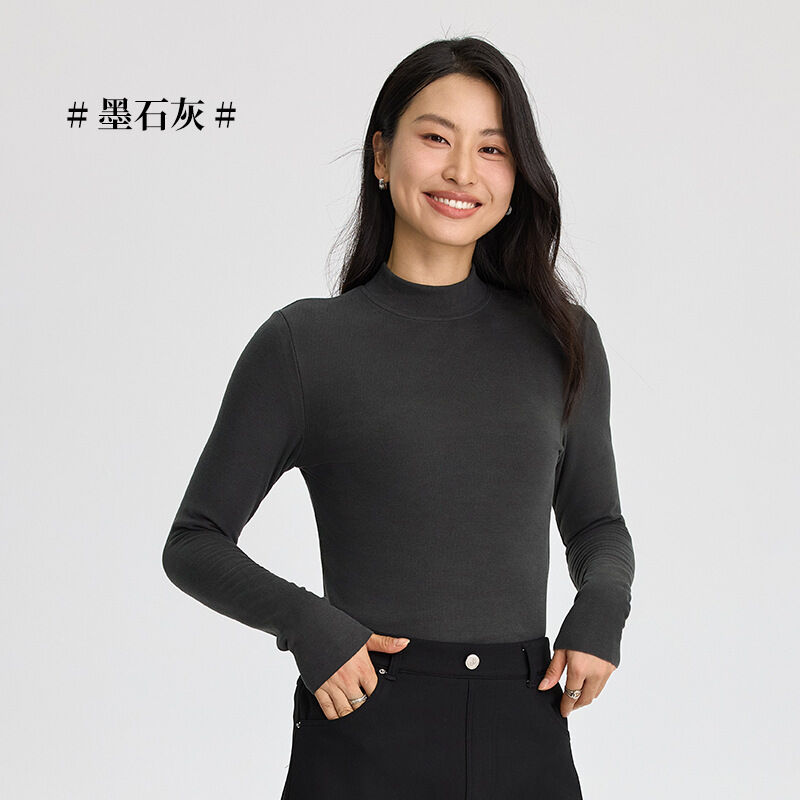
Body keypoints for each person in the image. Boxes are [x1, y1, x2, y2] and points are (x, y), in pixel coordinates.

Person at [162, 35, 635, 800]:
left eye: (492, 149)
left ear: (516, 178)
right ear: (381, 156)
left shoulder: (562, 340)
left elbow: (597, 525)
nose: (462, 171)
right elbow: (194, 540)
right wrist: (306, 623)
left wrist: (602, 609)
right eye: (436, 138)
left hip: (525, 729)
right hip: (364, 724)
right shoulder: (304, 344)